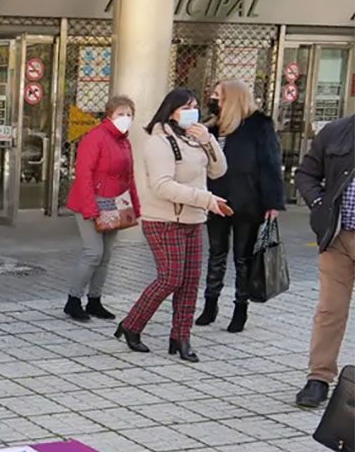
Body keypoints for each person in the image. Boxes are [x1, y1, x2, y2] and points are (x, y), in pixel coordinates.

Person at [115, 88, 229, 362]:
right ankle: (131, 325)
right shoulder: (159, 142)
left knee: (190, 281)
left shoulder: (195, 139)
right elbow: (162, 186)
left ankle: (181, 337)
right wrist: (206, 199)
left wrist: (209, 141)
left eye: (195, 106)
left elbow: (219, 171)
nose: (193, 112)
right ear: (171, 111)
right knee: (170, 278)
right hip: (164, 220)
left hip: (193, 218)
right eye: (186, 108)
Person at [196, 80, 285, 332]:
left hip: (248, 201)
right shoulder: (212, 126)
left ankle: (240, 308)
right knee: (216, 253)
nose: (213, 99)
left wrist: (273, 202)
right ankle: (210, 304)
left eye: (218, 95)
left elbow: (270, 164)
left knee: (243, 258)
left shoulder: (258, 125)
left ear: (232, 99)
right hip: (216, 200)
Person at [294, 113, 354, 408]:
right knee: (330, 310)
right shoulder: (336, 131)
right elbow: (305, 173)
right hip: (338, 237)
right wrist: (320, 204)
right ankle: (318, 377)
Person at [63, 95, 141, 321]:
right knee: (93, 252)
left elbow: (129, 176)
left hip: (115, 202)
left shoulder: (124, 142)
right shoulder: (95, 137)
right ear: (109, 115)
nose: (125, 118)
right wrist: (90, 208)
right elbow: (83, 175)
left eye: (129, 114)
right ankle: (73, 300)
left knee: (106, 255)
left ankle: (94, 300)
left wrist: (135, 206)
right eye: (120, 114)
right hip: (92, 201)